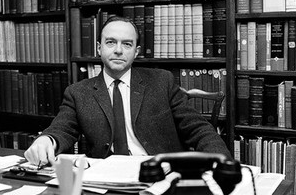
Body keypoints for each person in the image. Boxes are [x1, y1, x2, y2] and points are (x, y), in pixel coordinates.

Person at [24, 16, 232, 166]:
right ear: (99, 48)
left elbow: (197, 128)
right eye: (111, 42)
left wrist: (223, 162)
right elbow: (62, 128)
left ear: (136, 52)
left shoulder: (162, 82)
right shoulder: (78, 93)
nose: (118, 50)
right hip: (106, 181)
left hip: (160, 175)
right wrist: (46, 140)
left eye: (127, 44)